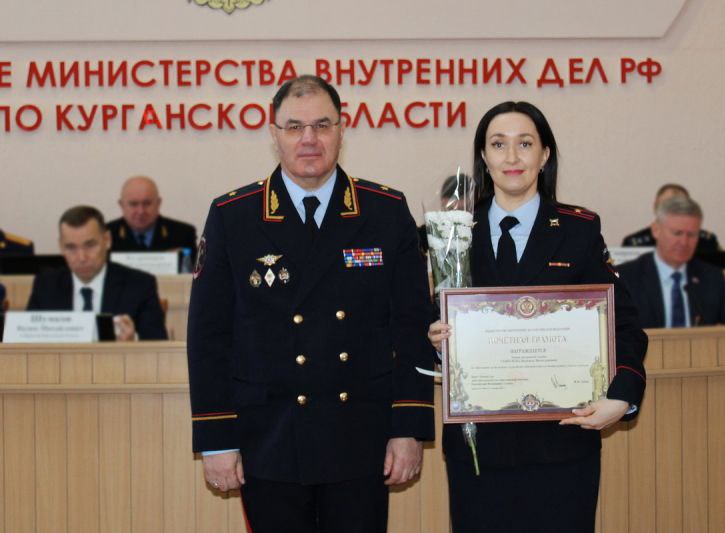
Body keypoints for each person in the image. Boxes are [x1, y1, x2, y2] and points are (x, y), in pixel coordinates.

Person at [187, 75, 436, 533]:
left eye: (322, 125)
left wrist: (409, 426)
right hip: (269, 436)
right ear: (274, 134)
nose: (309, 139)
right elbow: (208, 337)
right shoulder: (234, 215)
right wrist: (217, 437)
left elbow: (411, 326)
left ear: (342, 130)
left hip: (361, 434)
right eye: (295, 126)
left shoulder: (384, 211)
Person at [428, 101, 648, 533]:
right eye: (498, 145)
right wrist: (435, 341)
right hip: (479, 450)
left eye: (525, 144)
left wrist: (622, 398)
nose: (512, 157)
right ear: (484, 157)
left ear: (545, 155)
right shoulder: (452, 233)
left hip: (562, 446)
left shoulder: (578, 230)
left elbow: (624, 325)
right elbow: (422, 325)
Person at [26, 206, 168, 340]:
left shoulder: (140, 285)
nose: (82, 257)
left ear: (107, 240)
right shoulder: (46, 285)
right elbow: (26, 341)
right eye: (71, 247)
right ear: (61, 247)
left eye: (90, 245)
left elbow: (159, 347)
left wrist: (133, 342)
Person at [617, 196, 725, 328]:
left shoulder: (711, 277)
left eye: (691, 235)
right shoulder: (626, 278)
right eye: (677, 233)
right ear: (656, 230)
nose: (684, 242)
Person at [107, 175, 198, 260]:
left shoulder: (183, 234)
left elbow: (193, 269)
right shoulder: (106, 234)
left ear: (158, 203)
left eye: (147, 203)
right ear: (121, 205)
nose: (141, 211)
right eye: (133, 204)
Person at [621, 183, 720, 251]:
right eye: (667, 206)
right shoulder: (634, 244)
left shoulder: (706, 241)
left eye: (680, 207)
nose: (673, 212)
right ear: (655, 206)